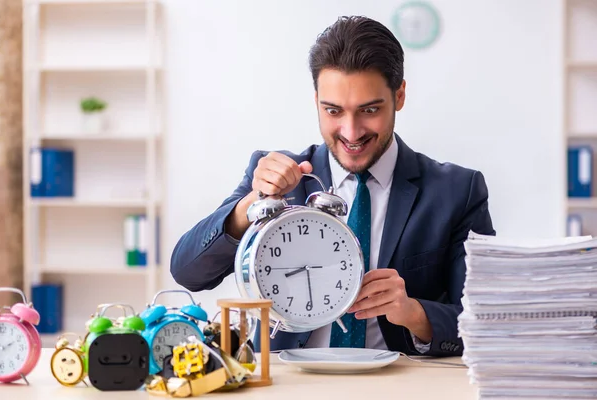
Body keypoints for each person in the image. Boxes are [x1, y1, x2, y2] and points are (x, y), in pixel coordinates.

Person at [170, 15, 495, 357]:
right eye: (333, 111)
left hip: (400, 383)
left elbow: (487, 323)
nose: (351, 132)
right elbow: (188, 272)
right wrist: (251, 203)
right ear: (316, 101)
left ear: (399, 95)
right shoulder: (277, 179)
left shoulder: (458, 191)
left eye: (369, 110)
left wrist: (416, 315)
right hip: (292, 383)